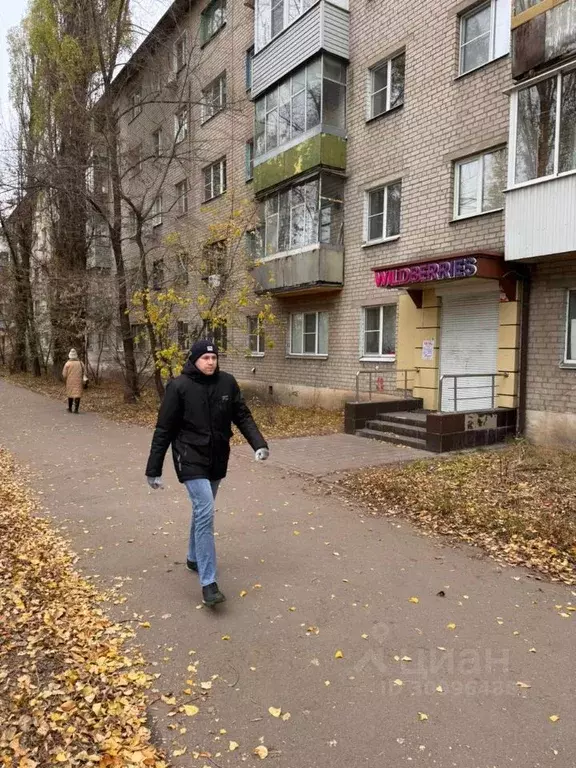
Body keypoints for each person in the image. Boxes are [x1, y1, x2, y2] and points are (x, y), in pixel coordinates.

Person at [145, 340, 269, 606]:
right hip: (189, 457)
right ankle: (208, 582)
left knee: (201, 509)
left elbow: (242, 415)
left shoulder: (227, 383)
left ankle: (193, 557)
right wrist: (153, 469)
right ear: (194, 360)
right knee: (205, 511)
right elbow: (163, 430)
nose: (210, 362)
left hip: (216, 458)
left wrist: (259, 444)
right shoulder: (178, 387)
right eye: (205, 358)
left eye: (213, 357)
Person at [62, 348, 85, 413]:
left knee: (70, 394)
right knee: (78, 394)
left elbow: (64, 374)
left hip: (70, 381)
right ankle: (76, 409)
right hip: (78, 381)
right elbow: (84, 371)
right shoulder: (81, 363)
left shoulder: (67, 364)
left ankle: (70, 408)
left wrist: (66, 377)